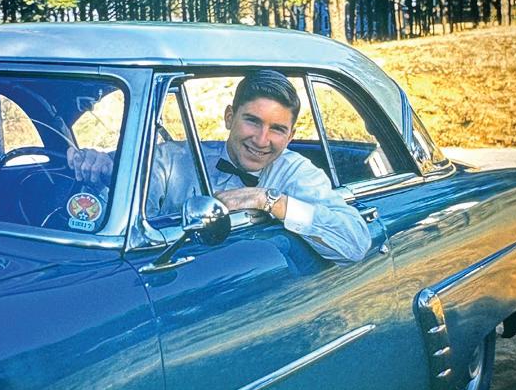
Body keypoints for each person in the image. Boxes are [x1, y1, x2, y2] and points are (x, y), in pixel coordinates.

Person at [68, 70, 371, 264]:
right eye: (252, 121)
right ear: (229, 117)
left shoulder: (297, 172)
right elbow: (122, 230)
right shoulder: (173, 159)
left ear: (290, 136)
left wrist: (269, 201)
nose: (261, 140)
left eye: (277, 129)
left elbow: (355, 243)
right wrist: (104, 177)